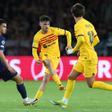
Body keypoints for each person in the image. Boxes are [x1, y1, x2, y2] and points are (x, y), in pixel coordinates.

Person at [50, 3, 112, 108]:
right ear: (83, 13)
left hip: (88, 57)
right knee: (71, 77)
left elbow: (82, 39)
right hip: (84, 56)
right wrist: (83, 48)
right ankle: (64, 101)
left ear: (72, 14)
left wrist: (74, 50)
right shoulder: (89, 24)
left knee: (91, 84)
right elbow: (96, 40)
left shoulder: (78, 25)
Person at [32, 15, 72, 104]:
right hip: (45, 55)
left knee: (45, 80)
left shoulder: (54, 30)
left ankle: (36, 99)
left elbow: (68, 33)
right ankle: (59, 84)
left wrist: (69, 44)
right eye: (44, 24)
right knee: (48, 63)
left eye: (48, 24)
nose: (46, 26)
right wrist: (36, 58)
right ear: (40, 24)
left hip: (56, 57)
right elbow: (34, 50)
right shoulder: (37, 36)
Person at [0, 18, 34, 105]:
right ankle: (26, 100)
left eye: (6, 27)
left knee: (18, 78)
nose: (5, 28)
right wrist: (8, 66)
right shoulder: (1, 38)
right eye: (3, 26)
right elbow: (0, 53)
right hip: (1, 66)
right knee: (19, 79)